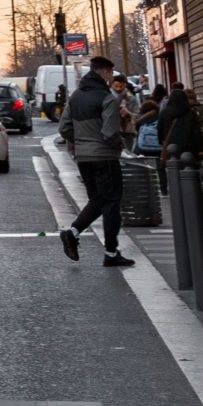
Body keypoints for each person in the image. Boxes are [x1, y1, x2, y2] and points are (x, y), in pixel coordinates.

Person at [60, 57, 134, 267]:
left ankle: (72, 232)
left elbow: (64, 129)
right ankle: (111, 253)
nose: (111, 78)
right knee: (111, 203)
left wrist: (81, 143)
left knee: (97, 200)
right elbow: (110, 132)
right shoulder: (107, 98)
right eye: (110, 74)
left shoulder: (75, 97)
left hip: (84, 158)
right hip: (105, 157)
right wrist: (120, 145)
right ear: (106, 73)